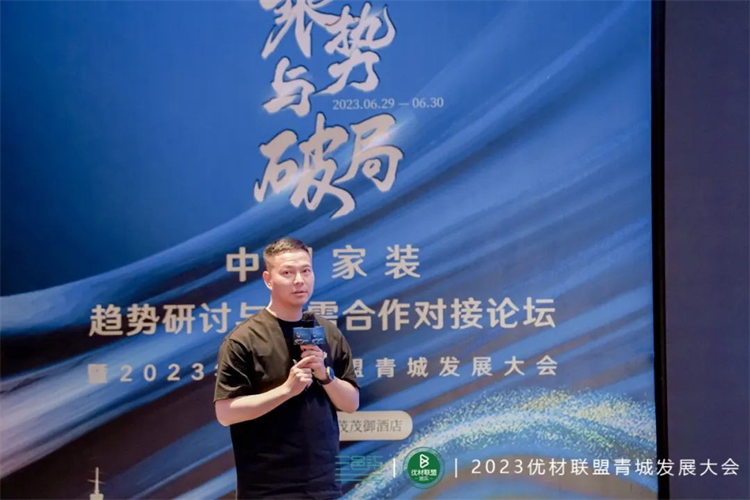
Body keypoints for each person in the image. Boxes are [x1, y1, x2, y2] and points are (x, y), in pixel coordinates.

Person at [214, 237, 360, 500]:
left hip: (323, 488)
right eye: (288, 273)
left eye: (306, 271)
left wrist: (325, 376)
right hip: (267, 491)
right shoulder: (244, 340)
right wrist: (286, 391)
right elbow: (225, 413)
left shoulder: (327, 333)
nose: (299, 280)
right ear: (268, 280)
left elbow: (351, 403)